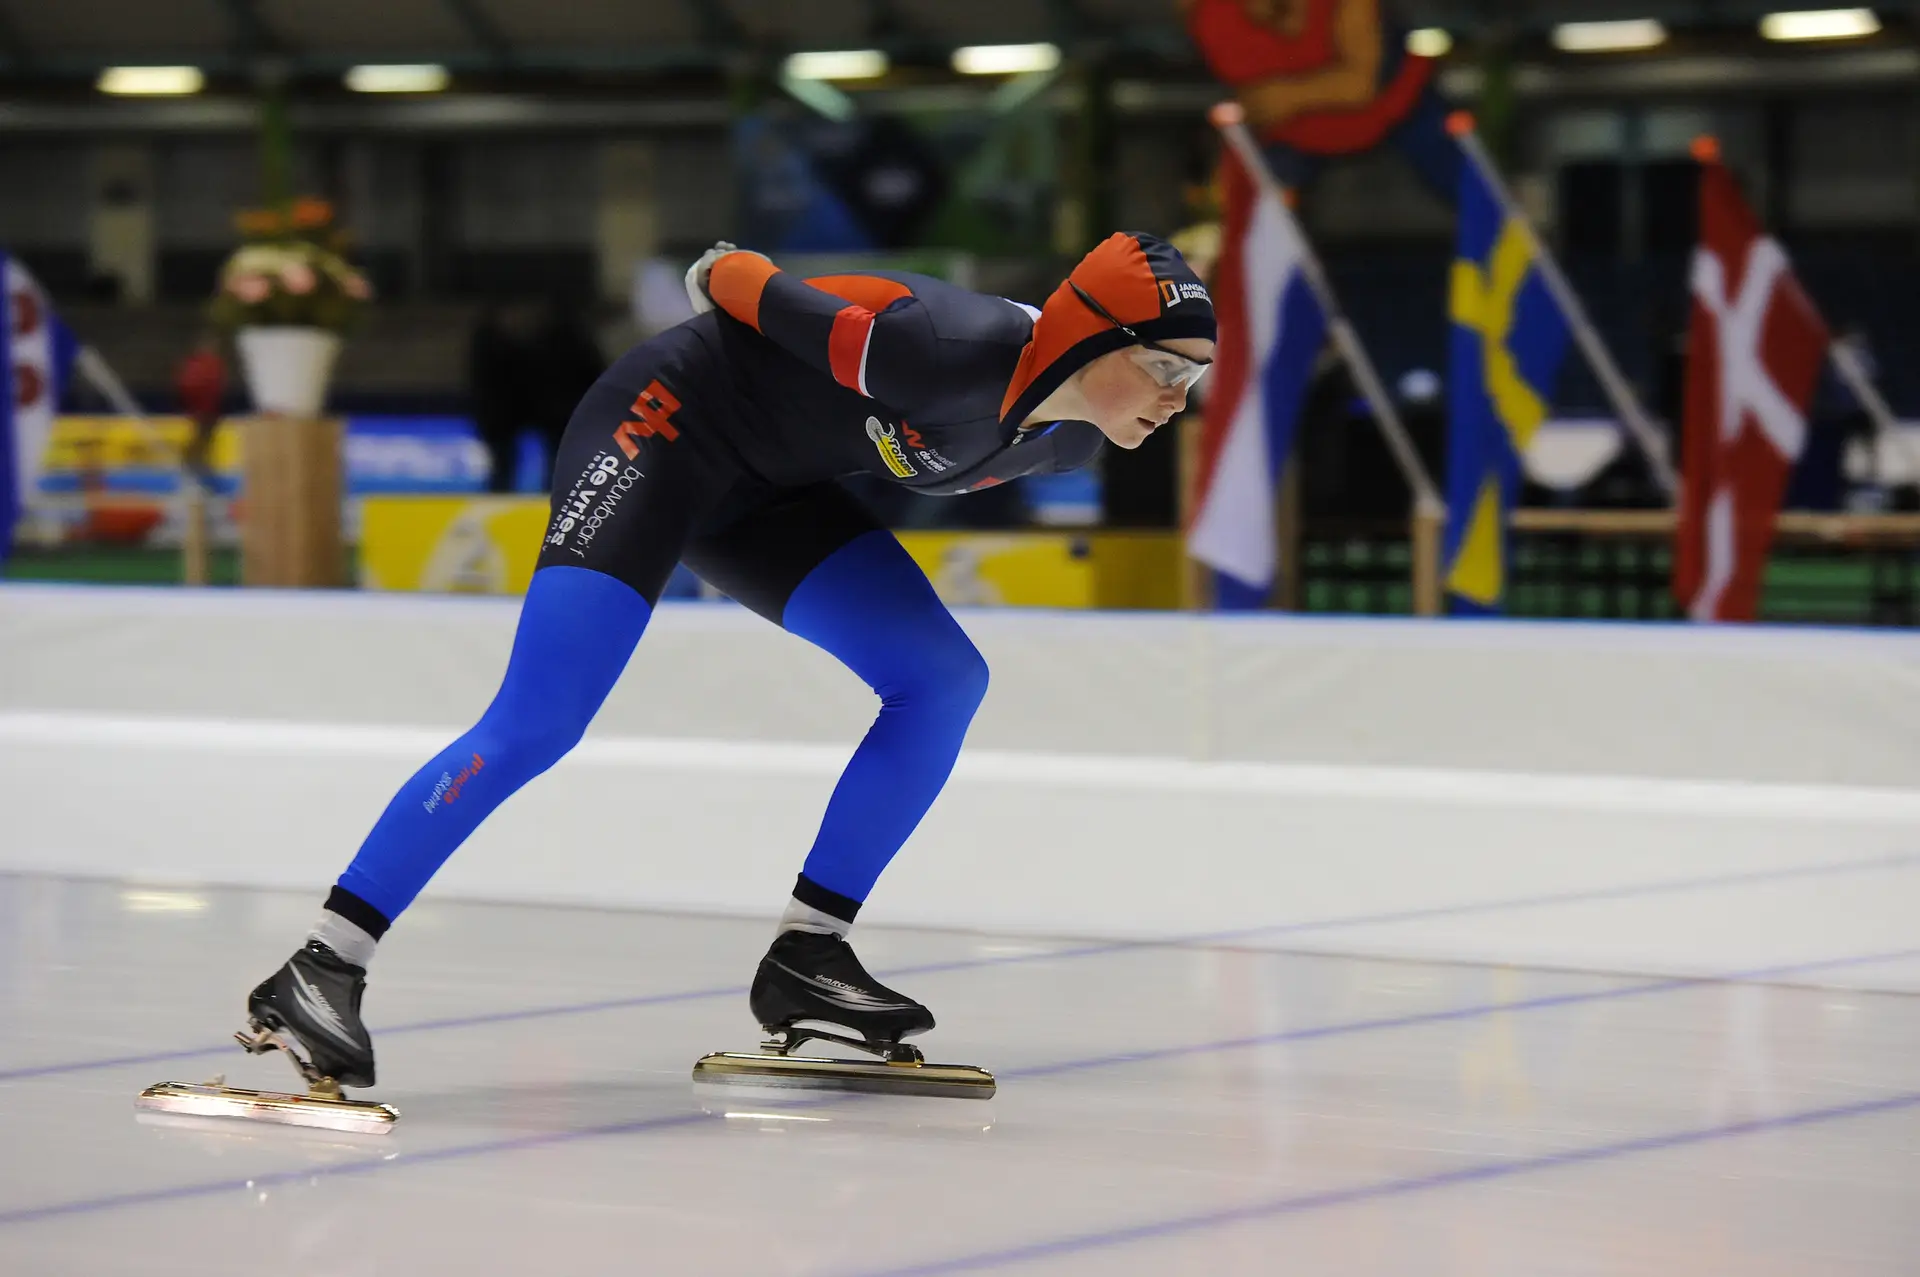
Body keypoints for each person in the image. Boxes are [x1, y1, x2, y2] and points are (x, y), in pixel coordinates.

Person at [242, 231, 1215, 1092]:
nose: (1181, 400)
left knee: (943, 678)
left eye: (1196, 381)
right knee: (540, 718)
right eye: (1170, 369)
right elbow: (736, 280)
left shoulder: (1066, 449)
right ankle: (322, 962)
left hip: (767, 492)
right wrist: (723, 264)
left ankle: (808, 953)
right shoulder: (937, 346)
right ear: (1094, 338)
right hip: (662, 429)